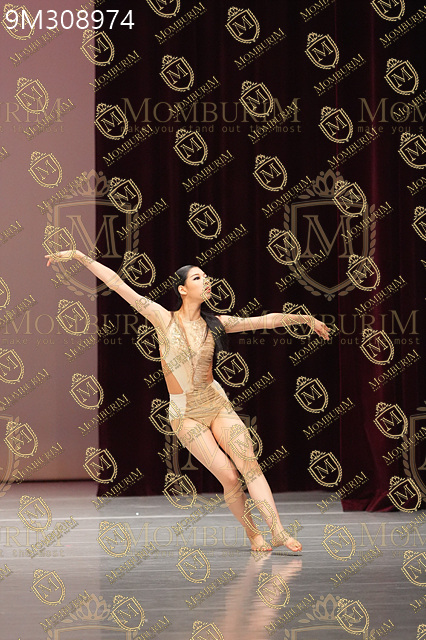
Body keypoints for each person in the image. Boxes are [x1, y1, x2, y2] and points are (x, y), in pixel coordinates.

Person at [45, 251, 330, 552]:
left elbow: (264, 320)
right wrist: (79, 256)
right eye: (197, 277)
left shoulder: (216, 323)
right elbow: (117, 284)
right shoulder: (162, 318)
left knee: (249, 464)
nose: (206, 281)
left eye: (206, 277)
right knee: (230, 477)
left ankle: (278, 531)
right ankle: (253, 533)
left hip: (216, 403)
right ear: (182, 289)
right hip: (185, 414)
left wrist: (305, 319)